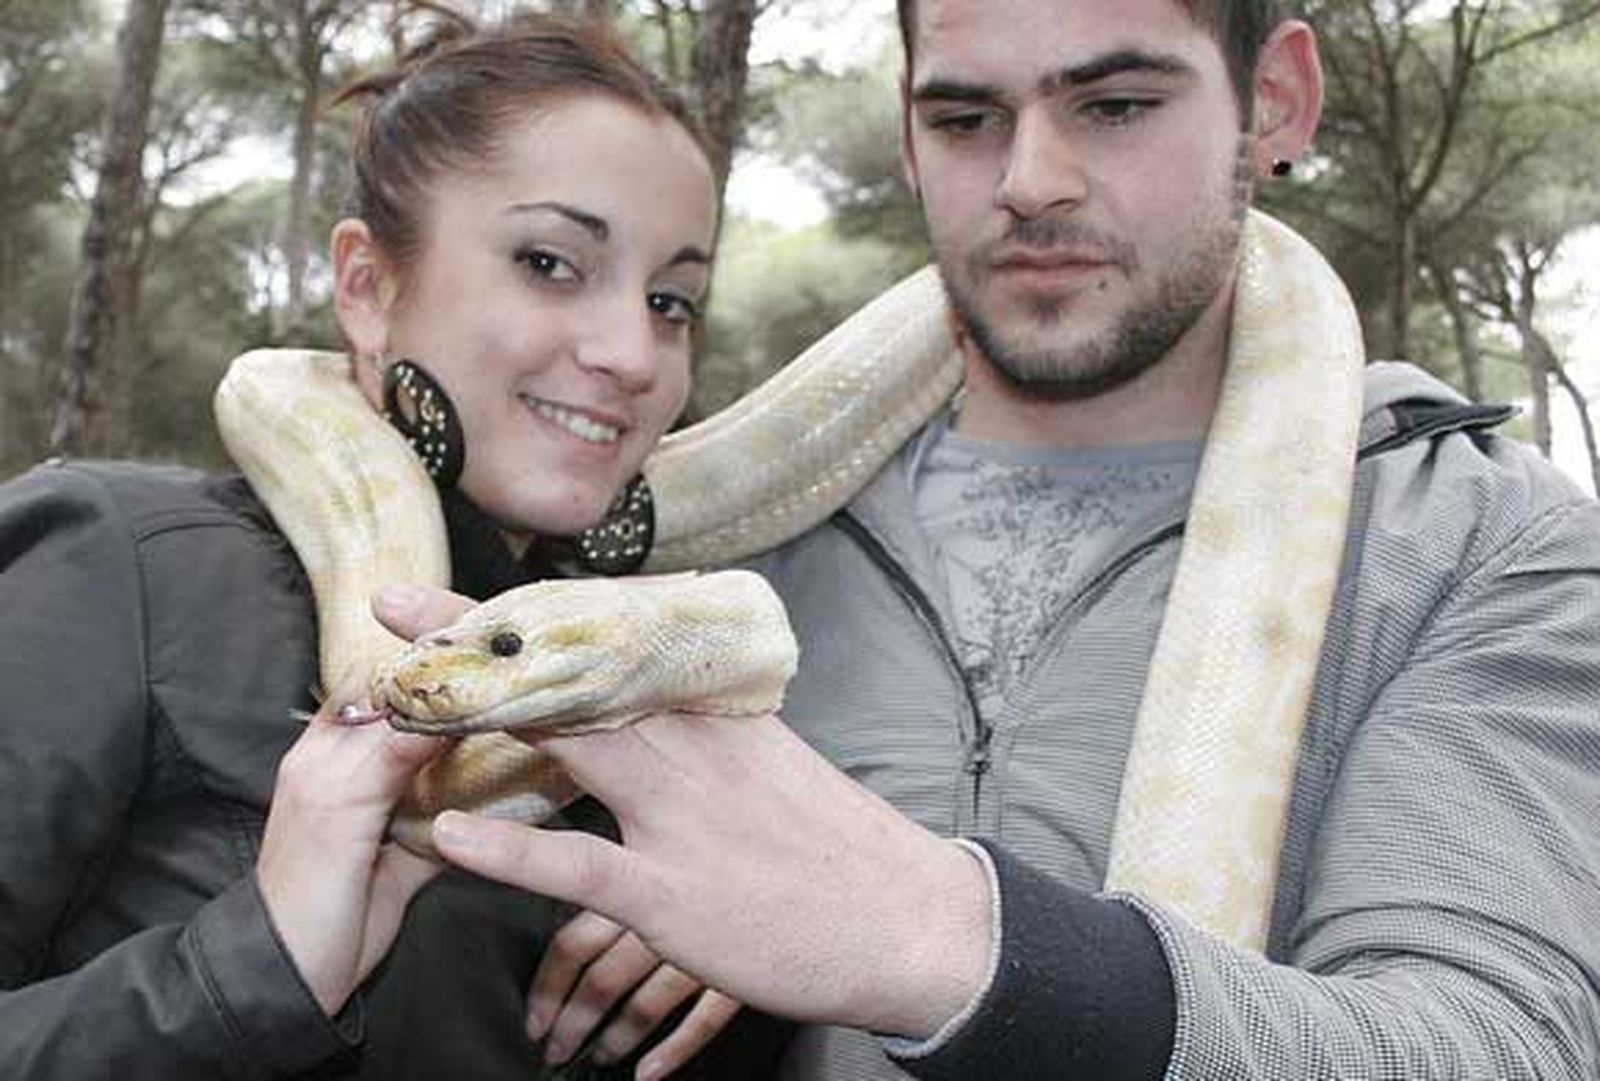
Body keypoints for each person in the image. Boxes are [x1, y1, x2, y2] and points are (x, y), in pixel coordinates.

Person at [424, 1, 1600, 1078]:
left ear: (1275, 104)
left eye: (1117, 104)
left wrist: (939, 936)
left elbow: (1496, 1043)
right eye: (966, 116)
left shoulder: (1476, 542)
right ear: (906, 134)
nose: (1030, 180)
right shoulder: (714, 559)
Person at [0, 13, 766, 1079]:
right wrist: (255, 967)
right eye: (550, 262)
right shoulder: (122, 561)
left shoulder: (664, 702)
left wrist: (755, 954)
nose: (632, 353)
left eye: (671, 301)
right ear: (366, 287)